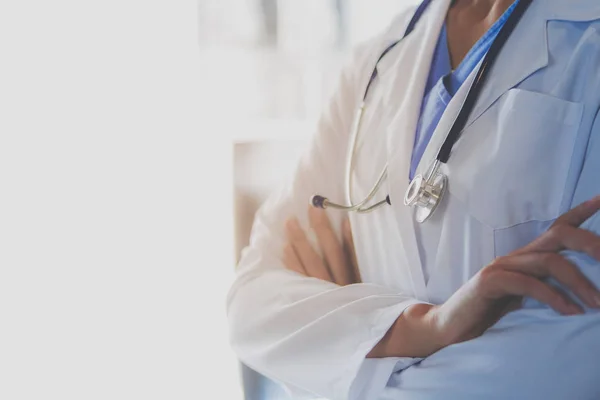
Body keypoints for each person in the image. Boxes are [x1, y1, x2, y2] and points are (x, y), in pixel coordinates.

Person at [227, 0, 600, 398]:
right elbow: (250, 306)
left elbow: (572, 353)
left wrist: (338, 358)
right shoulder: (379, 57)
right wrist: (415, 327)